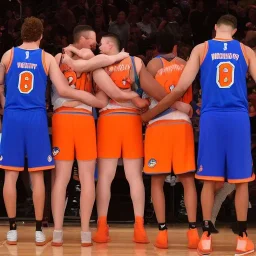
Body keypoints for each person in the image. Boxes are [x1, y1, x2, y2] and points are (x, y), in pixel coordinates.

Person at [141, 14, 256, 255]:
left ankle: (205, 237)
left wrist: (151, 114)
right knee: (242, 180)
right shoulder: (245, 50)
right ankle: (243, 239)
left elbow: (181, 88)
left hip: (211, 117)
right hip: (238, 118)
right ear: (234, 32)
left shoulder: (202, 49)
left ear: (215, 28)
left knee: (208, 180)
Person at [0, 17, 110, 246]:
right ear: (41, 35)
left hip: (23, 116)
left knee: (18, 175)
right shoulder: (48, 58)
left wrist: (4, 104)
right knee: (44, 174)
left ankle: (24, 230)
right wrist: (92, 100)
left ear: (21, 34)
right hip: (52, 117)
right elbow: (63, 88)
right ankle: (56, 230)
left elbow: (1, 85)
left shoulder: (9, 56)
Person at [51, 25, 139, 247]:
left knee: (61, 178)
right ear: (83, 39)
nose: (96, 44)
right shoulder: (92, 59)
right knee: (88, 178)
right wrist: (120, 55)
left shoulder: (57, 57)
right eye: (93, 40)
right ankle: (85, 233)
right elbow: (100, 101)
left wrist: (72, 95)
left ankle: (58, 233)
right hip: (84, 120)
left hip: (62, 117)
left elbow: (63, 90)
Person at [142, 32, 199, 249]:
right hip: (182, 124)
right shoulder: (185, 63)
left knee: (157, 181)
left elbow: (147, 96)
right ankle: (193, 231)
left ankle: (162, 233)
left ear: (157, 49)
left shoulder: (151, 66)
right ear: (175, 48)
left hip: (158, 125)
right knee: (187, 180)